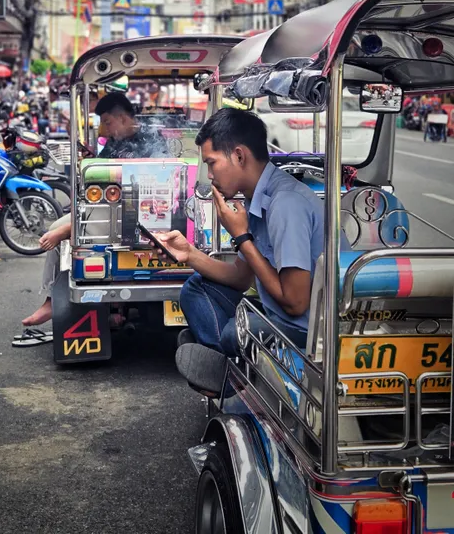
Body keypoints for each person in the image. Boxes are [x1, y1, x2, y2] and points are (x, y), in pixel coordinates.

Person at [155, 108, 329, 397]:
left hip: (305, 328)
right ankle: (229, 366)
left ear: (239, 155)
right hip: (281, 310)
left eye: (212, 163)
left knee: (231, 332)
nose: (210, 176)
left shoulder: (285, 204)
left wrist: (241, 236)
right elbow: (240, 277)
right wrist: (189, 254)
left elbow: (296, 304)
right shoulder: (258, 198)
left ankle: (231, 380)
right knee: (195, 289)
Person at [20, 91, 170, 330]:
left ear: (122, 118)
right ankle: (51, 299)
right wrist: (89, 161)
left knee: (61, 229)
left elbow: (147, 187)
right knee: (55, 226)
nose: (106, 129)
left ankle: (70, 230)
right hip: (105, 208)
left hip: (140, 212)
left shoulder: (152, 141)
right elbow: (100, 179)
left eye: (108, 122)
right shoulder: (113, 143)